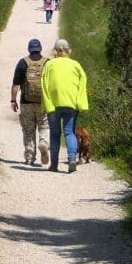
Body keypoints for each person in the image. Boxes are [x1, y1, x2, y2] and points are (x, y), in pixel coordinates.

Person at [41, 38, 89, 173]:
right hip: (71, 104)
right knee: (69, 133)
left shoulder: (49, 65)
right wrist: (79, 102)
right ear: (69, 51)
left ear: (55, 51)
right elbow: (82, 83)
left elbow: (44, 85)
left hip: (54, 104)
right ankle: (72, 160)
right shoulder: (76, 65)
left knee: (55, 134)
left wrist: (47, 104)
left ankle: (54, 165)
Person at [10, 38, 50, 166]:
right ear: (40, 49)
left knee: (28, 129)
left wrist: (13, 100)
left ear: (29, 49)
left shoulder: (22, 63)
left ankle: (29, 156)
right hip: (43, 102)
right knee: (44, 126)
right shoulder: (47, 63)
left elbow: (16, 84)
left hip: (25, 101)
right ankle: (43, 142)